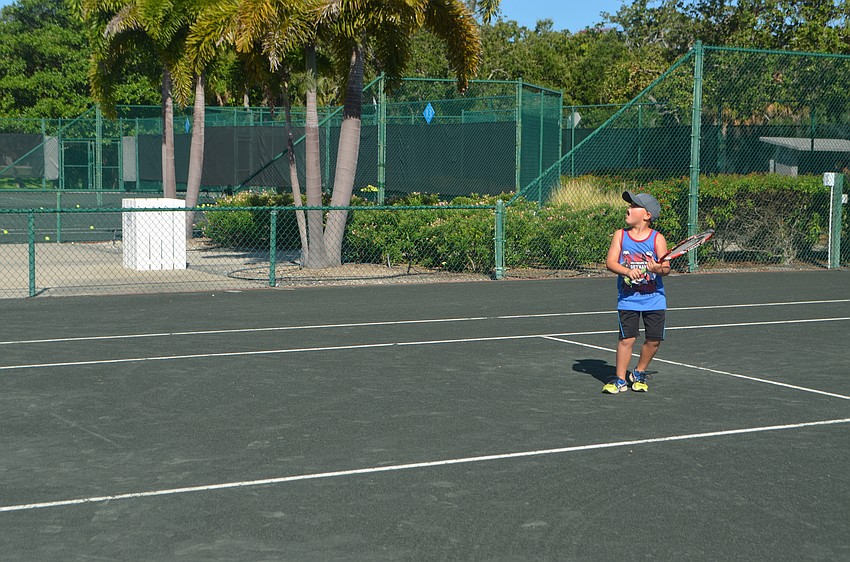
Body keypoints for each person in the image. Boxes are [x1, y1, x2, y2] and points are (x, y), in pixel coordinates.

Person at [602, 191, 670, 394]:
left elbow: (665, 268)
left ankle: (639, 372)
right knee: (627, 339)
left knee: (654, 339)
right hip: (628, 298)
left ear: (647, 215)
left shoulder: (658, 239)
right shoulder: (620, 235)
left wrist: (657, 269)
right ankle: (620, 379)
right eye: (629, 205)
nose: (628, 209)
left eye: (633, 206)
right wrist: (627, 271)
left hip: (654, 299)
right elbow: (610, 262)